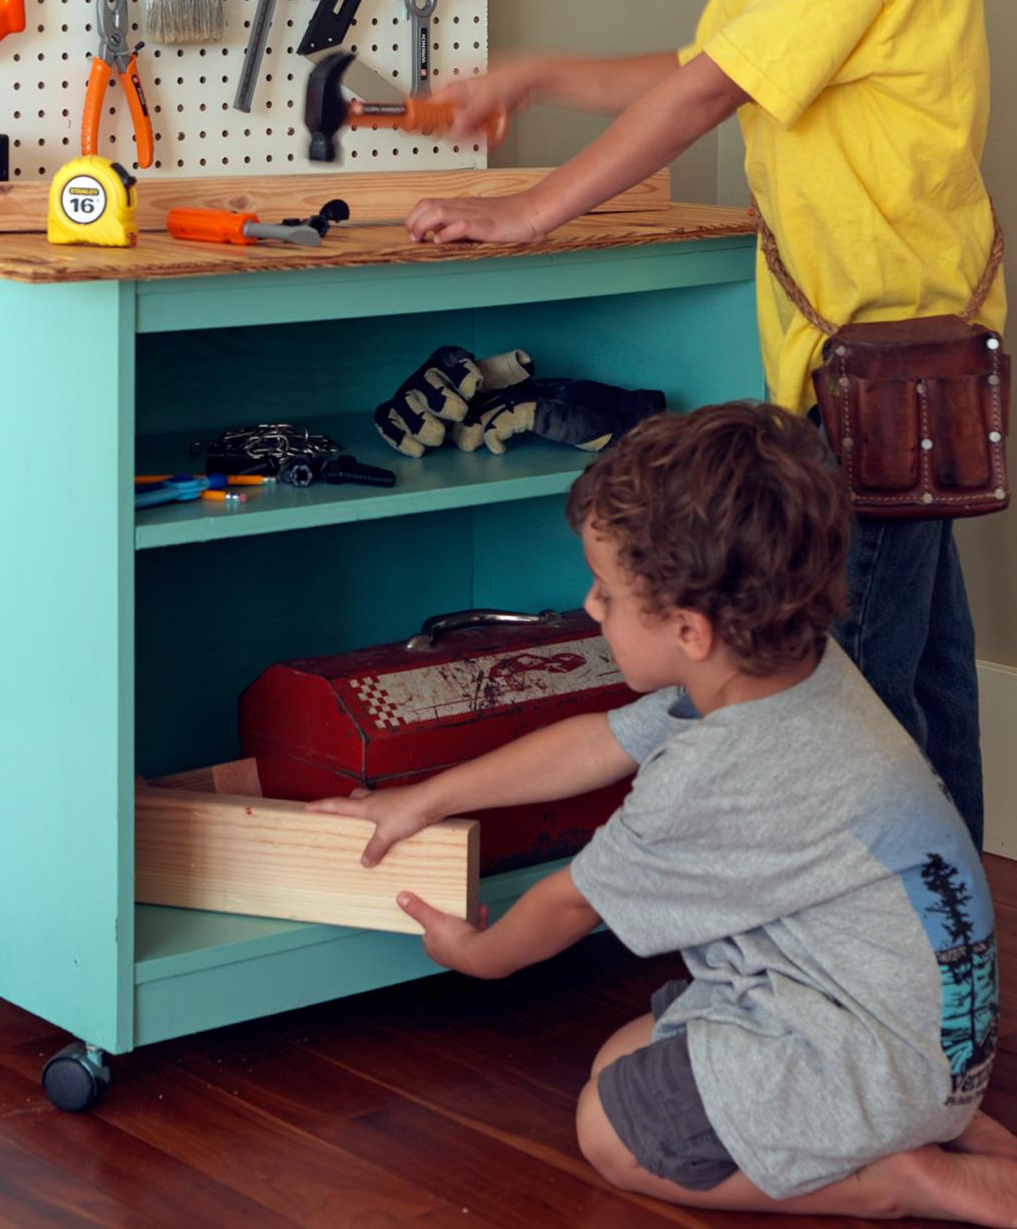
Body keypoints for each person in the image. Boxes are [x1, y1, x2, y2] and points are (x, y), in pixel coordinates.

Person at [404, 0, 1006, 849]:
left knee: (848, 695)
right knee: (920, 672)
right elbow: (691, 65)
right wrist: (544, 74)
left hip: (888, 367)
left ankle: (860, 966)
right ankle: (953, 963)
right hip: (839, 360)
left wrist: (530, 211)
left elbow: (704, 97)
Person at [308, 403, 1013, 1222]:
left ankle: (895, 1181)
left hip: (877, 1057)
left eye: (607, 593)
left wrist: (480, 955)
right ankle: (916, 1121)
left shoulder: (721, 772)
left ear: (689, 629)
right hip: (925, 1040)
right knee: (627, 1056)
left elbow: (570, 901)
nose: (590, 604)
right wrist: (422, 798)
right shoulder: (795, 673)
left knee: (609, 1129)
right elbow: (595, 742)